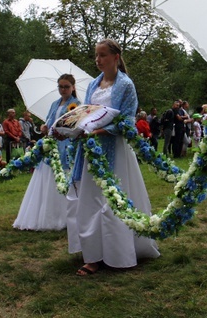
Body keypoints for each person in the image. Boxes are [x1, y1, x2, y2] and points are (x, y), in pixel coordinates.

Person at [67, 39, 160, 276]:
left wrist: (102, 130)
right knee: (91, 200)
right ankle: (93, 256)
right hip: (92, 149)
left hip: (115, 149)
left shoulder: (126, 85)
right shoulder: (93, 85)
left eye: (102, 55)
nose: (98, 60)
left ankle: (119, 253)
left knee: (115, 200)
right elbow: (87, 112)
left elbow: (128, 121)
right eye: (96, 56)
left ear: (116, 57)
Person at [13, 74, 79, 231]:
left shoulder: (76, 105)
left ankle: (63, 216)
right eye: (60, 86)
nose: (63, 90)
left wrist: (57, 130)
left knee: (63, 177)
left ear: (73, 87)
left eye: (66, 87)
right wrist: (44, 127)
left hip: (65, 145)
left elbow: (73, 127)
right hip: (50, 145)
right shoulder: (55, 103)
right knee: (46, 177)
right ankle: (45, 215)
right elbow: (49, 121)